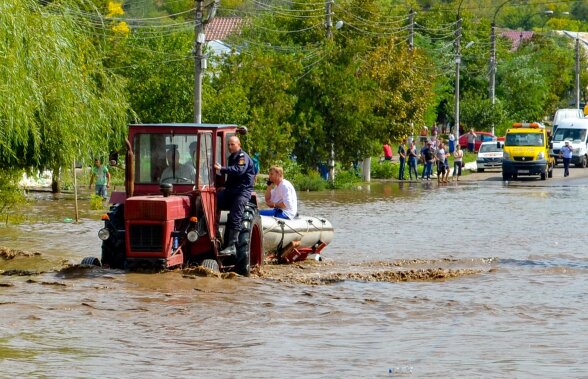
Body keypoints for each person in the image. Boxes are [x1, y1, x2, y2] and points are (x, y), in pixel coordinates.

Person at [214, 136, 256, 255]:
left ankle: (232, 245)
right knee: (213, 200)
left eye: (232, 144)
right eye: (228, 145)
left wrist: (222, 169)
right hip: (232, 190)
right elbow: (233, 178)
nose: (230, 147)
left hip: (242, 192)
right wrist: (224, 186)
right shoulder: (232, 157)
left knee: (235, 215)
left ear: (239, 144)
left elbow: (239, 170)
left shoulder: (242, 157)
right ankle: (214, 232)